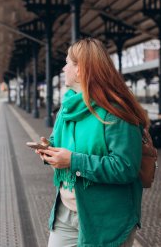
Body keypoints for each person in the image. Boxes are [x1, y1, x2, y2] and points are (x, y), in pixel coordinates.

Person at [35, 38, 149, 247]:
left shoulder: (116, 112)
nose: (63, 68)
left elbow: (125, 167)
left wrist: (72, 161)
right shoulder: (68, 107)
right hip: (66, 211)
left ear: (81, 69)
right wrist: (48, 150)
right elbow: (58, 141)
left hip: (107, 218)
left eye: (68, 62)